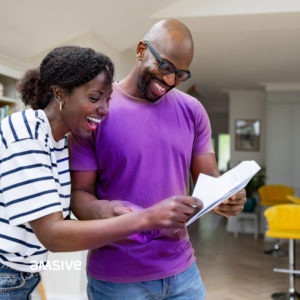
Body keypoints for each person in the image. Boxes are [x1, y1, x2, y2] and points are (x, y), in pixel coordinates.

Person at [0, 45, 203, 300]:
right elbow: (52, 234)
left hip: (22, 276)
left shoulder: (58, 142)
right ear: (61, 94)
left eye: (108, 100)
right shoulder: (25, 135)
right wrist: (148, 218)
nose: (105, 110)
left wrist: (109, 210)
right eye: (95, 98)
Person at [69, 19, 247, 300]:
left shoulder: (193, 110)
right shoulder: (97, 110)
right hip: (117, 279)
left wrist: (227, 198)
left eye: (181, 74)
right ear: (141, 49)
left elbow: (209, 182)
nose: (170, 80)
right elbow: (79, 195)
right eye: (165, 67)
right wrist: (110, 211)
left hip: (183, 274)